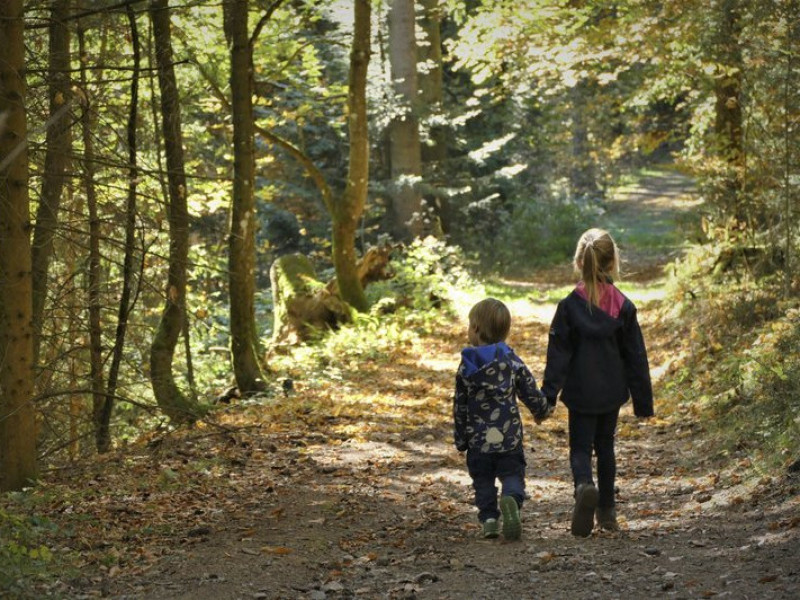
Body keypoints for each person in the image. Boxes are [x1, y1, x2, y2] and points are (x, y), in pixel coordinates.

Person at [542, 228, 654, 537]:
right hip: (610, 392)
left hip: (580, 392)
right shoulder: (623, 306)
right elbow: (635, 356)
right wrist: (643, 402)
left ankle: (583, 486)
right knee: (605, 447)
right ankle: (607, 511)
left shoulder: (568, 307)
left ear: (579, 262)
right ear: (613, 262)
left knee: (580, 447)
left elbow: (558, 355)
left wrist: (547, 396)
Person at [454, 298, 553, 540]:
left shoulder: (467, 366)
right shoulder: (511, 360)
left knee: (483, 480)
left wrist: (461, 438)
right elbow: (528, 389)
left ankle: (489, 520)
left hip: (479, 441)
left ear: (476, 328)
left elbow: (460, 405)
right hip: (509, 436)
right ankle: (511, 499)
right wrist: (541, 409)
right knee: (512, 474)